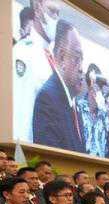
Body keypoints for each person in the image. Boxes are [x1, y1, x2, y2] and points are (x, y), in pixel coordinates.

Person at [32, 21, 86, 153]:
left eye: (82, 60)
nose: (82, 69)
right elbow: (50, 157)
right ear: (62, 58)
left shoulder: (74, 104)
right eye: (77, 58)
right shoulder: (48, 98)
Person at [12, 0, 60, 143]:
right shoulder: (24, 52)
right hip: (32, 150)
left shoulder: (51, 57)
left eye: (58, 13)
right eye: (52, 11)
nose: (56, 18)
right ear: (38, 8)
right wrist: (23, 155)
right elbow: (21, 118)